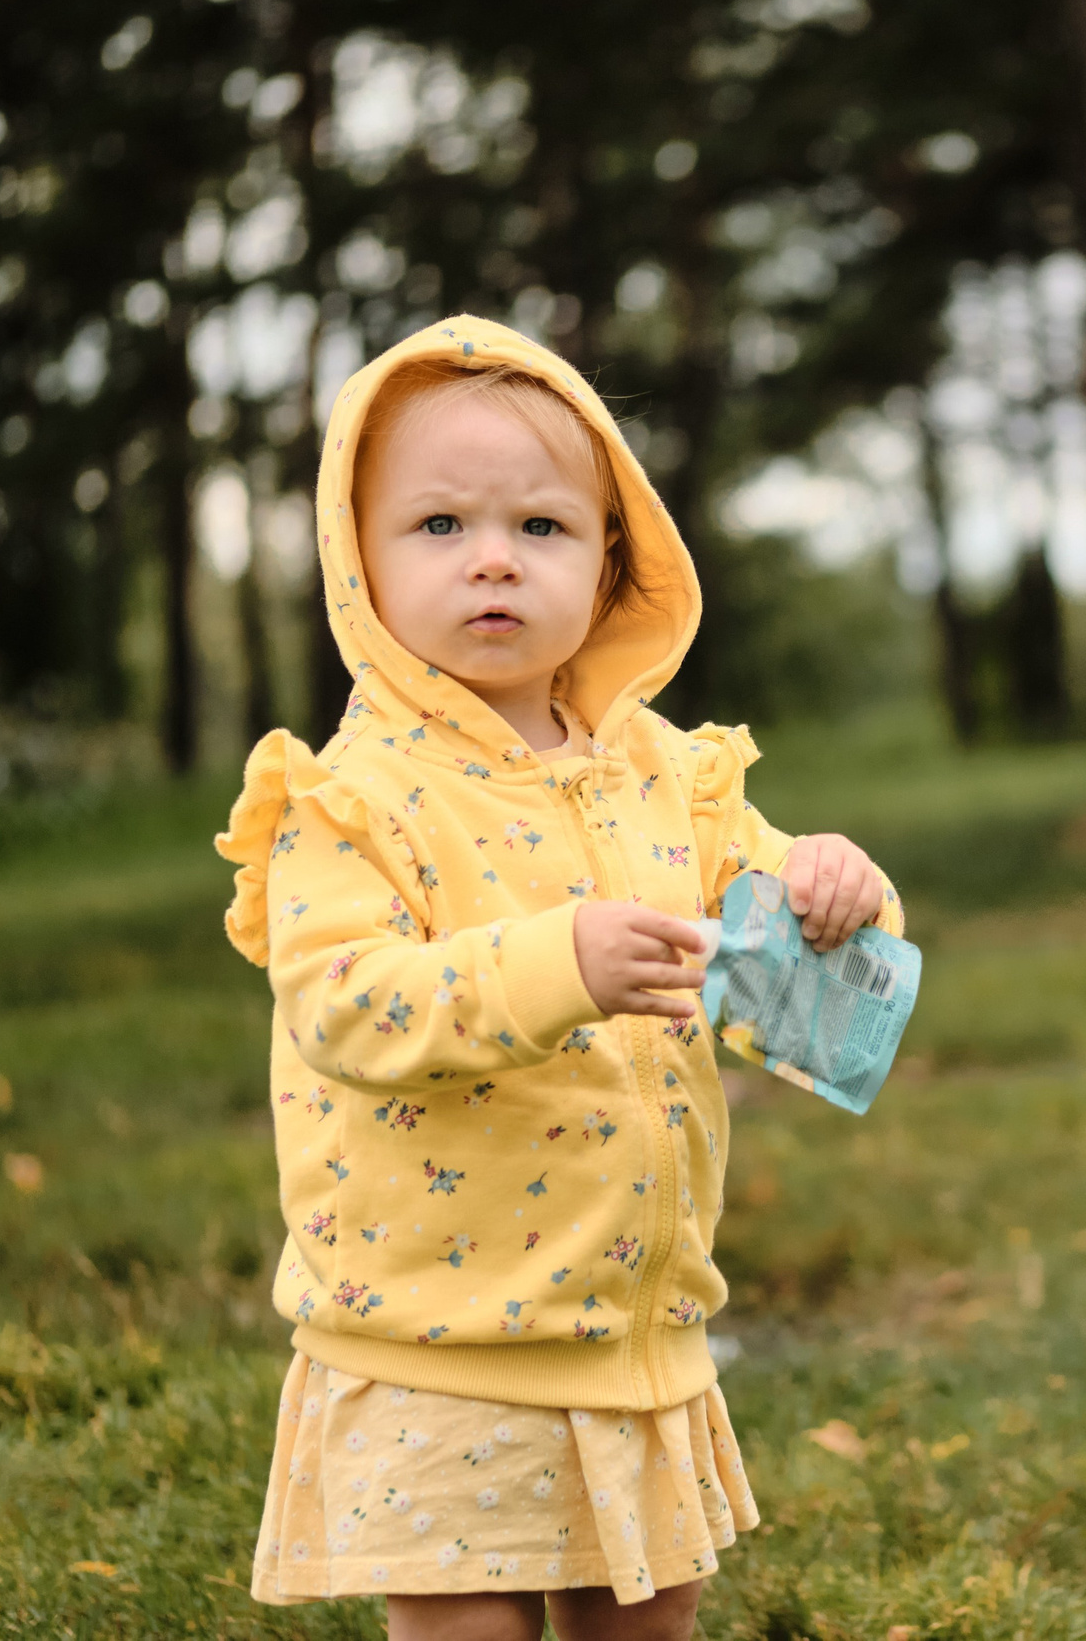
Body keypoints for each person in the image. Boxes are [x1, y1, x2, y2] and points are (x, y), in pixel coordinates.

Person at [216, 317, 902, 1641]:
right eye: (437, 526)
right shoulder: (347, 801)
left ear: (610, 563)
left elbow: (785, 972)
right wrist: (559, 965)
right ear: (355, 561)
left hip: (632, 1325)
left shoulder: (665, 773)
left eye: (541, 527)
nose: (492, 557)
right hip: (438, 1339)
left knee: (645, 1620)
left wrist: (837, 894)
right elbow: (346, 1006)